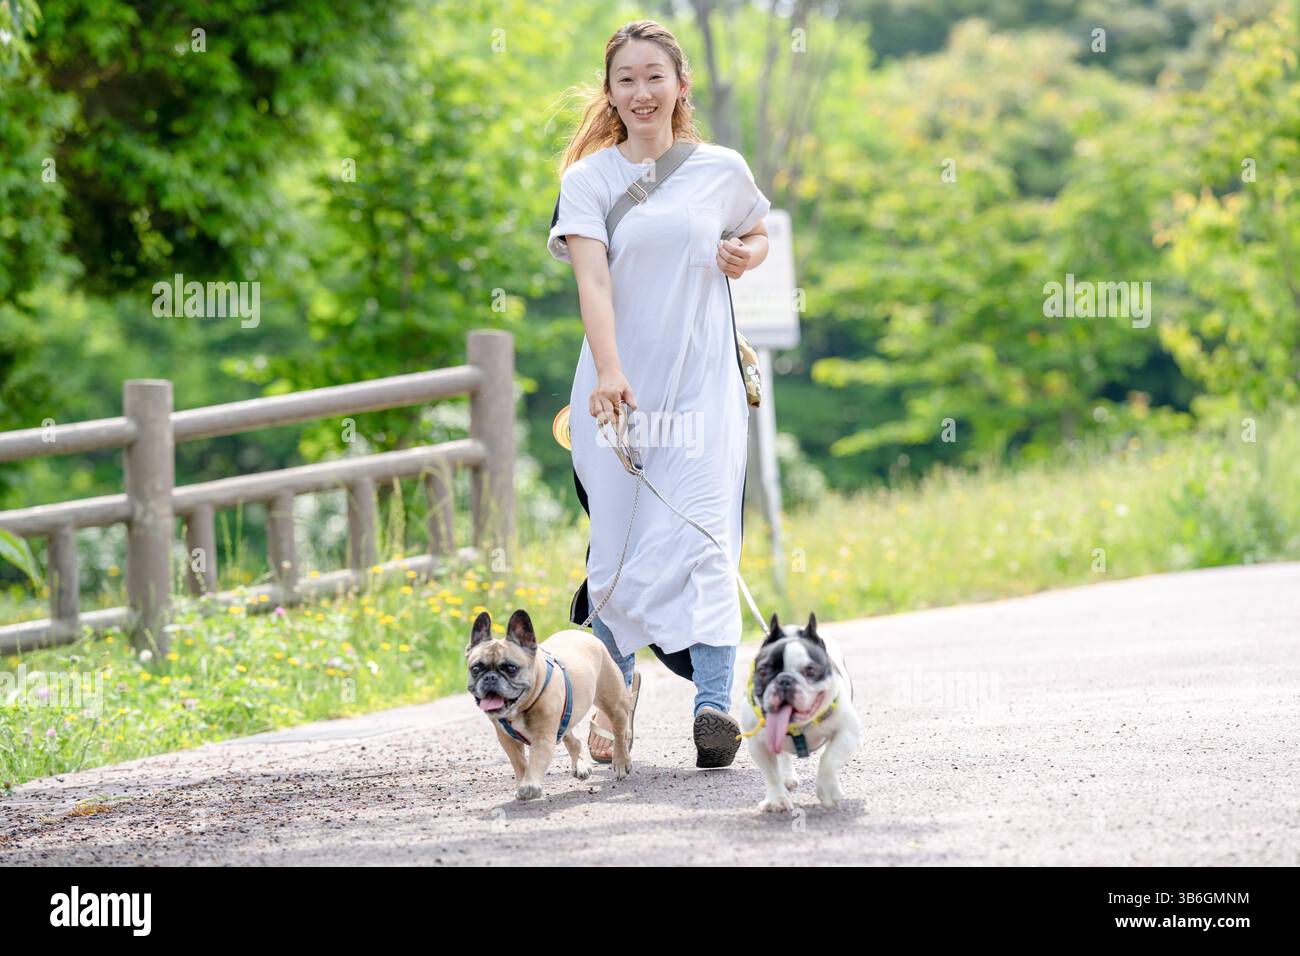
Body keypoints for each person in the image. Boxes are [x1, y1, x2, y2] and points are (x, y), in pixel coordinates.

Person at [546, 19, 771, 768]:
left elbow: (756, 228)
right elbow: (593, 280)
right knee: (620, 551)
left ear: (681, 85)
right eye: (625, 80)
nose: (641, 92)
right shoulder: (589, 181)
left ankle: (714, 707)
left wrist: (746, 255)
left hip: (703, 387)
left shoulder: (720, 169)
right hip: (619, 394)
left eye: (654, 77)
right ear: (610, 93)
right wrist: (610, 370)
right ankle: (616, 695)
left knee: (708, 537)